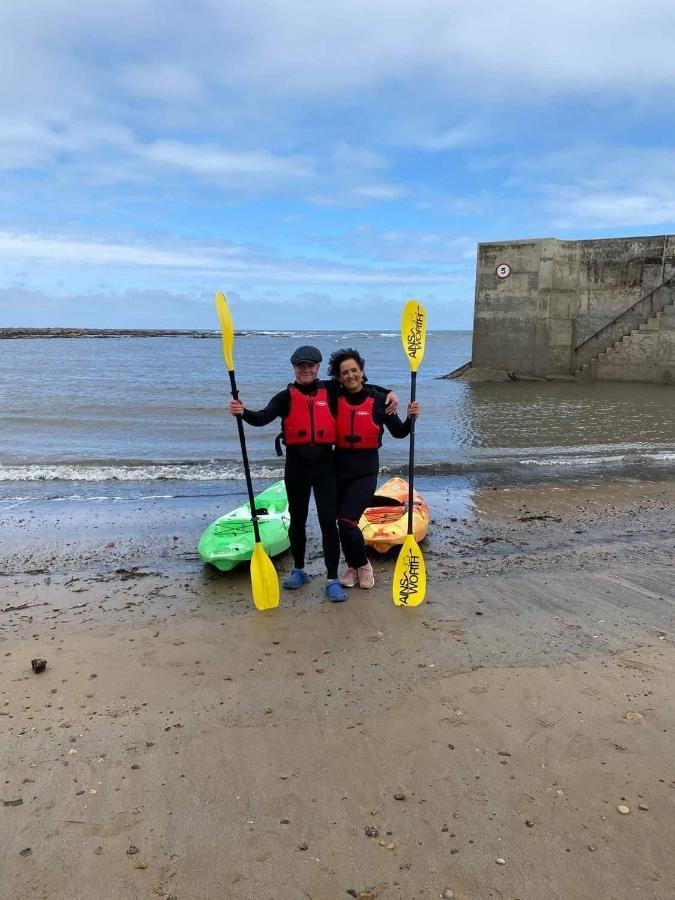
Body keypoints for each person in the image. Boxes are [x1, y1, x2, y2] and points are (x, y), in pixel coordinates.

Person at [229, 345, 397, 602]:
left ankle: (331, 579)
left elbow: (362, 388)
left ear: (318, 368)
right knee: (297, 520)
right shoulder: (285, 396)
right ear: (294, 368)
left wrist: (390, 393)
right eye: (301, 366)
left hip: (325, 468)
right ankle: (299, 570)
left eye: (311, 366)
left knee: (329, 523)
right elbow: (263, 417)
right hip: (296, 468)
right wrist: (243, 412)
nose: (306, 370)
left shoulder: (330, 389)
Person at [328, 347, 419, 591]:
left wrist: (411, 418)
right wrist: (389, 389)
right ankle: (352, 566)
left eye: (354, 370)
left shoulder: (379, 401)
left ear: (362, 372)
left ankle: (363, 564)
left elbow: (399, 432)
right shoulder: (334, 396)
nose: (350, 376)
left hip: (365, 470)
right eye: (344, 372)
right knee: (343, 523)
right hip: (338, 469)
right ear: (339, 377)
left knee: (347, 522)